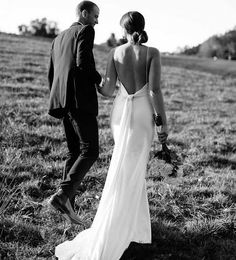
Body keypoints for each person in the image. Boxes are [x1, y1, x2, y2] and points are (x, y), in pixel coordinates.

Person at [55, 11, 168, 260]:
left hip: (120, 113)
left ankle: (133, 228)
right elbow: (155, 90)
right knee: (134, 169)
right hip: (141, 114)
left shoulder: (114, 53)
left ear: (123, 29)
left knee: (123, 166)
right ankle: (120, 228)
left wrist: (92, 82)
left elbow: (107, 90)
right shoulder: (152, 53)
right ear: (143, 26)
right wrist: (163, 124)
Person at [47, 1, 102, 225]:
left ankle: (68, 207)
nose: (97, 21)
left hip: (62, 100)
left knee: (73, 152)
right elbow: (83, 63)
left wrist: (58, 98)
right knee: (90, 150)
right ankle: (62, 195)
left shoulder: (58, 38)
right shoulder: (85, 30)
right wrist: (100, 81)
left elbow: (52, 72)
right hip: (80, 100)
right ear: (84, 13)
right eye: (96, 16)